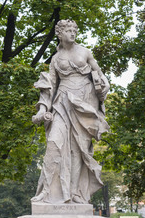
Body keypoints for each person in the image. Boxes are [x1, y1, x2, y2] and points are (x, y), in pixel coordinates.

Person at [31, 19, 110, 204]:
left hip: (84, 103)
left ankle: (74, 193)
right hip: (62, 102)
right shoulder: (56, 59)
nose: (73, 33)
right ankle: (46, 191)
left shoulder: (85, 52)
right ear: (60, 33)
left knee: (78, 149)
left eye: (75, 30)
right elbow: (48, 87)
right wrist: (42, 110)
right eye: (68, 30)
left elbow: (101, 76)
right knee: (53, 144)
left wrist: (104, 85)